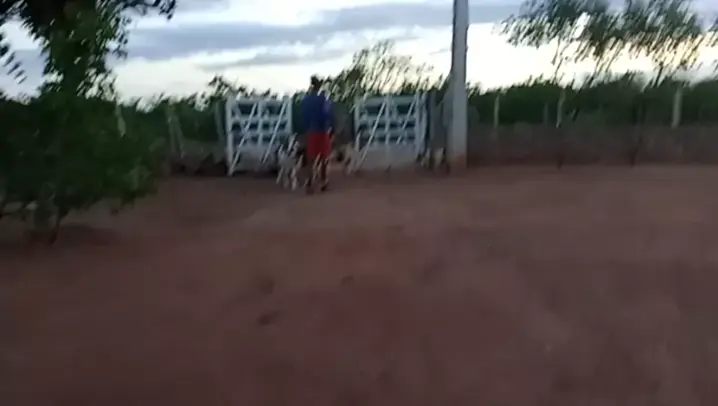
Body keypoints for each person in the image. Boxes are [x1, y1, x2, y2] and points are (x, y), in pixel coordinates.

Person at [300, 75, 333, 193]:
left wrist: (306, 129)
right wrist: (330, 126)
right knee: (324, 158)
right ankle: (324, 182)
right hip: (322, 130)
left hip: (311, 130)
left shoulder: (306, 100)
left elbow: (303, 116)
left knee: (311, 159)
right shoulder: (323, 99)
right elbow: (327, 114)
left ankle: (309, 183)